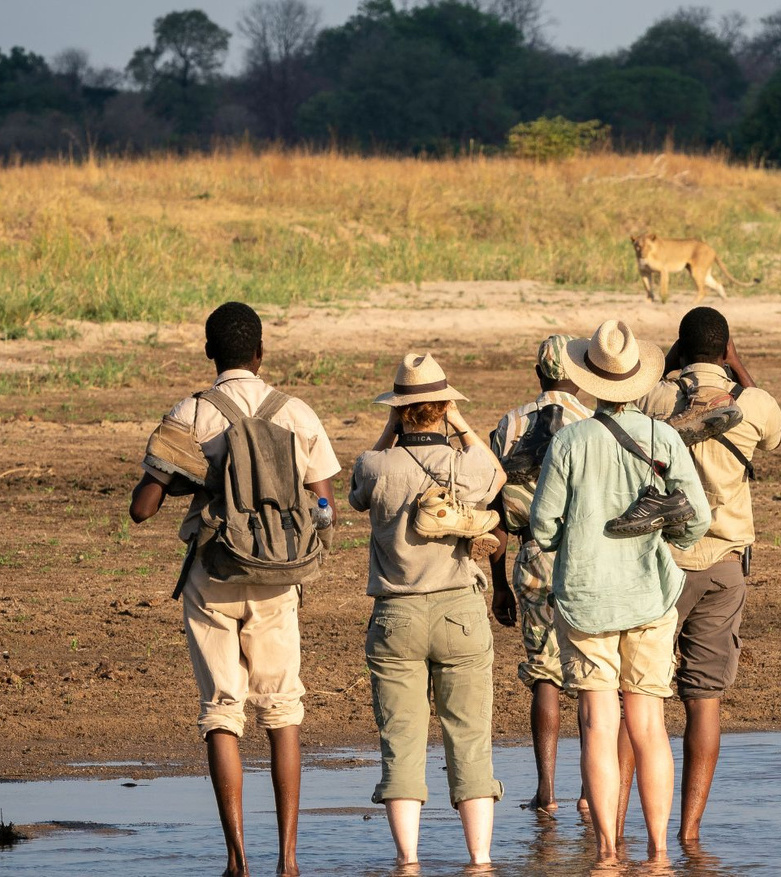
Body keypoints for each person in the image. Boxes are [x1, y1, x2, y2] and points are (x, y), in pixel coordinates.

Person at [129, 301, 340, 877]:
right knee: (283, 709)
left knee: (222, 710)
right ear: (261, 352)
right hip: (279, 576)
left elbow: (141, 509)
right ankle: (290, 860)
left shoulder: (192, 413)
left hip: (213, 574)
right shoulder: (295, 412)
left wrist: (192, 483)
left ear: (208, 352)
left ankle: (237, 859)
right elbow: (325, 506)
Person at [529, 320, 711, 861]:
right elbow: (696, 521)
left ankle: (607, 852)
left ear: (591, 380)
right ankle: (658, 855)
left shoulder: (568, 441)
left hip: (585, 598)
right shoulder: (665, 437)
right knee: (649, 726)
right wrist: (665, 529)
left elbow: (542, 529)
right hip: (650, 596)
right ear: (639, 379)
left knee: (598, 725)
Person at [348, 352, 506, 867]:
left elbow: (358, 492)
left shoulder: (376, 465)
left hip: (396, 614)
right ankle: (480, 860)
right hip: (459, 609)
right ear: (443, 407)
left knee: (401, 743)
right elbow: (495, 471)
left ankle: (408, 861)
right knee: (470, 742)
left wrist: (389, 430)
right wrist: (458, 422)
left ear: (398, 410)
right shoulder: (464, 465)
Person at [639, 306, 781, 843]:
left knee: (643, 695)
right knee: (704, 700)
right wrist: (739, 367)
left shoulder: (656, 398)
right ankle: (689, 833)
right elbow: (776, 434)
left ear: (679, 348)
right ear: (726, 349)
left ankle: (629, 829)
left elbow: (636, 411)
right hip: (725, 564)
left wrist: (670, 369)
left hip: (663, 565)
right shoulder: (753, 403)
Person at [488, 335, 595, 814]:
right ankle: (593, 792)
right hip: (585, 557)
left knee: (544, 676)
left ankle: (546, 791)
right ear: (580, 374)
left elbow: (493, 512)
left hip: (531, 555)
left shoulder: (509, 425)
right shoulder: (592, 424)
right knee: (594, 673)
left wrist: (497, 585)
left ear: (538, 375)